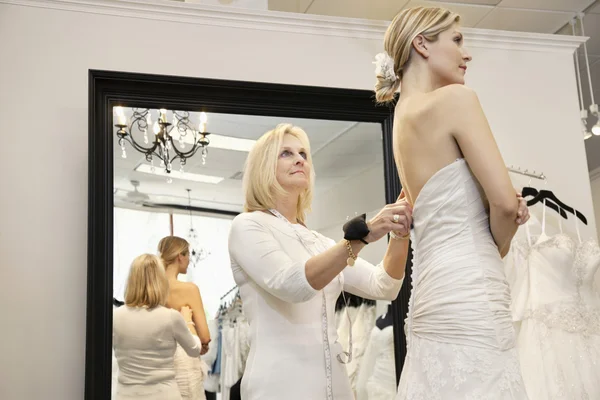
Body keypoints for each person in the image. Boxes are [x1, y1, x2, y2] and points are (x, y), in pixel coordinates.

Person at [374, 6, 531, 399]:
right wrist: (501, 229)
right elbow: (506, 207)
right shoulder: (455, 100)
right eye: (457, 40)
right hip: (471, 289)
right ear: (422, 44)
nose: (467, 53)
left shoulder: (400, 124)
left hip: (431, 294)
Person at [227, 123, 413, 400]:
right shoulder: (248, 226)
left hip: (335, 384)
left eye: (303, 153)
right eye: (286, 153)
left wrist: (399, 234)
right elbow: (292, 284)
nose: (300, 158)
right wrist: (360, 238)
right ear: (264, 166)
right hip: (280, 385)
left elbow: (383, 286)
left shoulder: (318, 241)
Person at [112, 254, 204, 400]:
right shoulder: (171, 317)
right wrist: (188, 321)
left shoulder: (116, 316)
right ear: (160, 281)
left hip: (126, 395)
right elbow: (194, 350)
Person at [158, 236, 211, 400]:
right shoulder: (189, 289)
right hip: (185, 359)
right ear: (179, 256)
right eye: (187, 255)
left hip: (161, 362)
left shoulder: (152, 289)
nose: (189, 260)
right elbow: (205, 336)